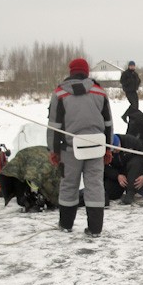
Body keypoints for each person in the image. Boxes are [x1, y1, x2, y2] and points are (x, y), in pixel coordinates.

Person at [47, 58, 113, 237]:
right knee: (95, 186)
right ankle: (95, 229)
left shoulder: (60, 94)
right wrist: (108, 148)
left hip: (70, 149)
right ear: (87, 72)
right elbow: (108, 123)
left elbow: (54, 125)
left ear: (71, 72)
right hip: (97, 147)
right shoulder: (100, 93)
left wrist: (53, 151)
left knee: (69, 185)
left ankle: (66, 224)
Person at [104, 133, 143, 205]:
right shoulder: (106, 151)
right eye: (112, 150)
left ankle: (130, 193)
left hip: (136, 172)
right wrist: (117, 175)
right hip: (119, 175)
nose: (114, 151)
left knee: (136, 161)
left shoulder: (131, 141)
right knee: (108, 192)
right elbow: (104, 166)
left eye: (115, 148)